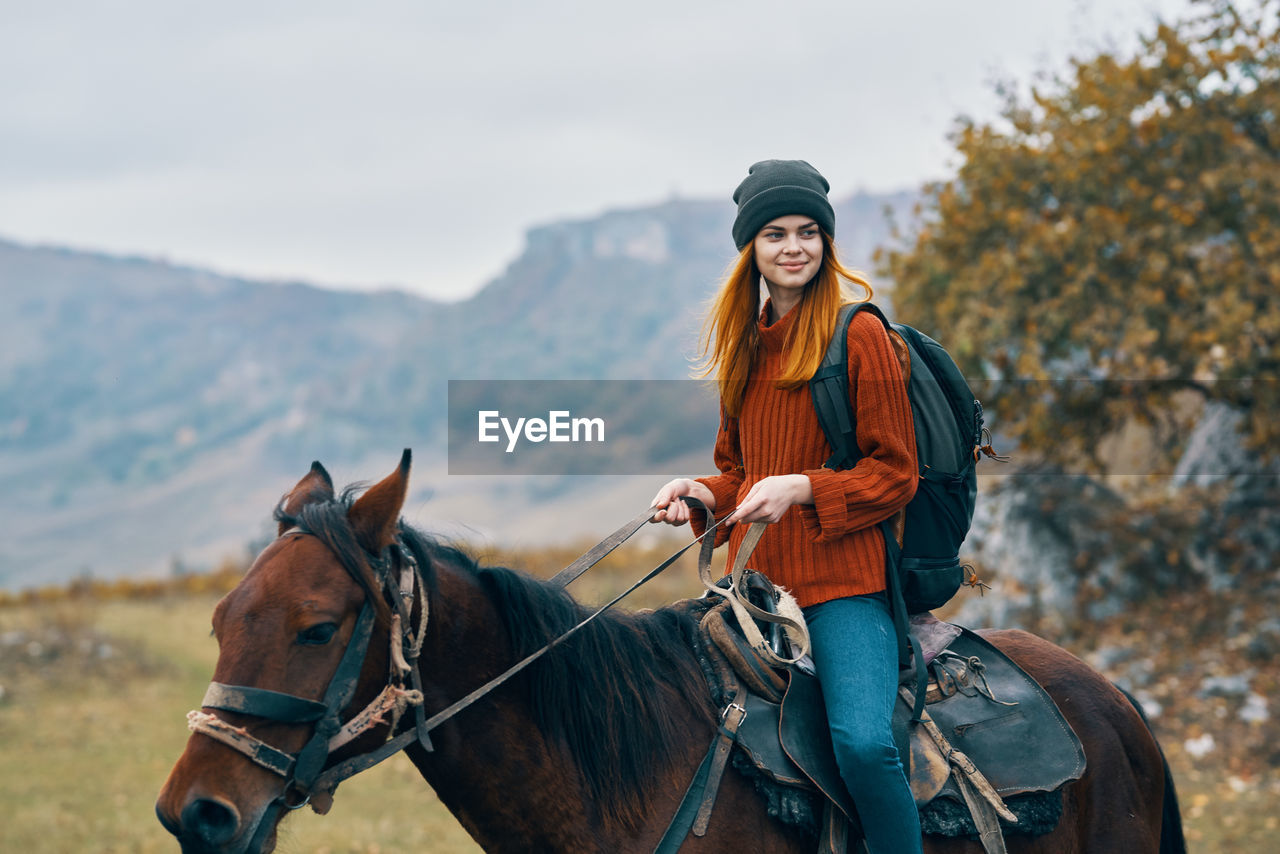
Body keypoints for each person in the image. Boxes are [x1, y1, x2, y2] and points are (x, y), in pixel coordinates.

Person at [651, 159, 923, 854]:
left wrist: (806, 486)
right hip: (758, 593)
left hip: (843, 590)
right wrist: (698, 494)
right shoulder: (744, 345)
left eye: (808, 232)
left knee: (863, 745)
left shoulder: (857, 335)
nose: (793, 247)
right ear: (751, 250)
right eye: (775, 234)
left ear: (827, 243)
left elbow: (896, 473)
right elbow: (739, 473)